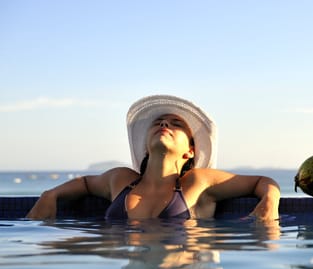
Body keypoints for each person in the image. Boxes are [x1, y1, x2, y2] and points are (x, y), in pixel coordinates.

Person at [26, 95, 280, 221]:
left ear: (190, 151)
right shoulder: (121, 179)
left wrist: (270, 200)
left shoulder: (197, 182)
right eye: (158, 122)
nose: (165, 123)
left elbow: (262, 181)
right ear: (146, 145)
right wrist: (50, 195)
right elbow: (84, 183)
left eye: (176, 124)